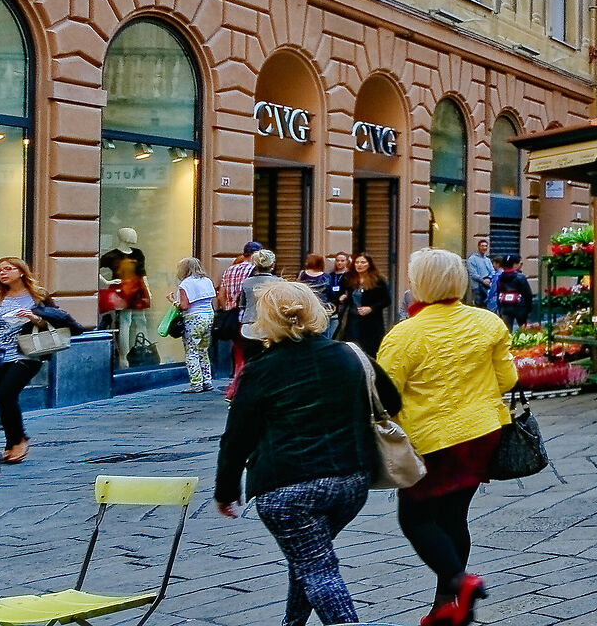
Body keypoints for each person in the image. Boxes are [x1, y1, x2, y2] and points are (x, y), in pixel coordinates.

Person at [215, 279, 396, 626]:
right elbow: (392, 402)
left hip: (287, 488)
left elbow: (237, 438)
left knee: (316, 567)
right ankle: (293, 623)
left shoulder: (259, 371)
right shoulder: (350, 355)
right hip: (350, 480)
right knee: (310, 556)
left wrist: (226, 490)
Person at [378, 248, 517, 626]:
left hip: (431, 441)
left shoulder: (404, 335)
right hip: (482, 434)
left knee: (416, 519)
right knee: (455, 516)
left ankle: (460, 581)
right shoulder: (488, 323)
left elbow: (385, 395)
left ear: (419, 284)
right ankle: (444, 605)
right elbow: (508, 380)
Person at [0, 257, 76, 464]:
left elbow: (57, 321)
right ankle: (13, 443)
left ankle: (18, 441)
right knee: (3, 399)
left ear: (21, 272)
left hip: (28, 353)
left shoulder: (37, 295)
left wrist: (35, 319)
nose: (3, 273)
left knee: (6, 394)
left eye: (8, 269)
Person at [231, 249, 283, 398]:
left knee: (250, 361)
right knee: (272, 360)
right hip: (271, 325)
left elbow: (242, 304)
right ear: (272, 265)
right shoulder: (278, 282)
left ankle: (249, 390)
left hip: (249, 326)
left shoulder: (247, 283)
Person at [215, 240, 262, 376]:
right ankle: (243, 383)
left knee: (238, 350)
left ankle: (236, 379)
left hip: (233, 317)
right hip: (250, 316)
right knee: (253, 351)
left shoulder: (230, 270)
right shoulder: (255, 270)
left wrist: (228, 310)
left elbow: (221, 296)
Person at [171, 257, 218, 391]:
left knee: (191, 351)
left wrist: (173, 302)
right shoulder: (207, 281)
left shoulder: (185, 284)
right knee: (203, 350)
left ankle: (196, 383)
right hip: (208, 316)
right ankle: (207, 381)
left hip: (193, 318)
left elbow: (185, 306)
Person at [339, 254, 390, 356]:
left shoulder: (378, 280)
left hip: (371, 322)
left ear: (369, 264)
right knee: (353, 347)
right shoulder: (348, 279)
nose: (359, 265)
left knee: (369, 349)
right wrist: (342, 298)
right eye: (357, 263)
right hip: (353, 319)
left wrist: (371, 308)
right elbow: (342, 294)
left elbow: (386, 300)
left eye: (363, 262)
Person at [490, 258, 533, 328]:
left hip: (505, 307)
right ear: (513, 265)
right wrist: (529, 309)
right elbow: (528, 294)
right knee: (524, 331)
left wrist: (500, 308)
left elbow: (498, 293)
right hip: (520, 307)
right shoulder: (520, 277)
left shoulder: (500, 278)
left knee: (507, 330)